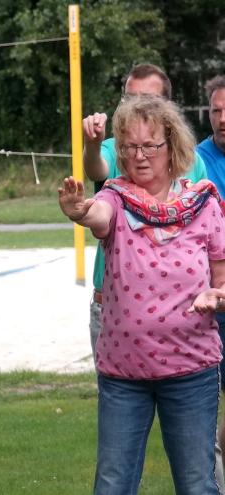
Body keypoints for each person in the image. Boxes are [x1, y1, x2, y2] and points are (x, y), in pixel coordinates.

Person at [59, 95, 225, 494]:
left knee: (196, 484)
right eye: (130, 146)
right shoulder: (114, 196)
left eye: (149, 145)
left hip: (191, 370)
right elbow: (98, 216)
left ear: (172, 147)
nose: (139, 156)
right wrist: (80, 210)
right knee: (113, 485)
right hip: (124, 375)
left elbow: (223, 279)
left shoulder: (203, 203)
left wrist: (215, 297)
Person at [83, 63, 207, 359]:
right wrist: (92, 144)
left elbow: (205, 234)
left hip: (180, 308)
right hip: (116, 306)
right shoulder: (115, 150)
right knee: (119, 400)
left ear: (168, 108)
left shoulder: (192, 162)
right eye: (129, 99)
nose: (136, 109)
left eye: (147, 101)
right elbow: (96, 166)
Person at [198, 74, 225, 479]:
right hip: (210, 301)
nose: (222, 118)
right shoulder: (198, 159)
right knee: (203, 404)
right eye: (217, 111)